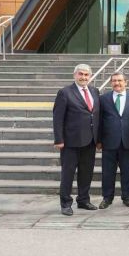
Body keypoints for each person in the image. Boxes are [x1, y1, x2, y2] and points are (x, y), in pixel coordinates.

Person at [53, 64, 100, 216]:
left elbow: (96, 116)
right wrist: (58, 139)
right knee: (68, 173)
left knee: (86, 173)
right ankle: (66, 203)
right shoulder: (65, 93)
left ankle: (83, 200)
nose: (83, 77)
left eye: (86, 75)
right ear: (75, 75)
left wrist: (98, 138)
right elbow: (57, 118)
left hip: (90, 141)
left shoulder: (95, 91)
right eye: (81, 74)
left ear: (90, 77)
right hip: (70, 142)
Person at [98, 71, 129, 209]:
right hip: (109, 141)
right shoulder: (103, 98)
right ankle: (107, 198)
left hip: (128, 141)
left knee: (128, 171)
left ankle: (127, 196)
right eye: (114, 81)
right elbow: (99, 120)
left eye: (120, 80)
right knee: (107, 172)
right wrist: (98, 140)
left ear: (125, 82)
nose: (117, 83)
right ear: (111, 83)